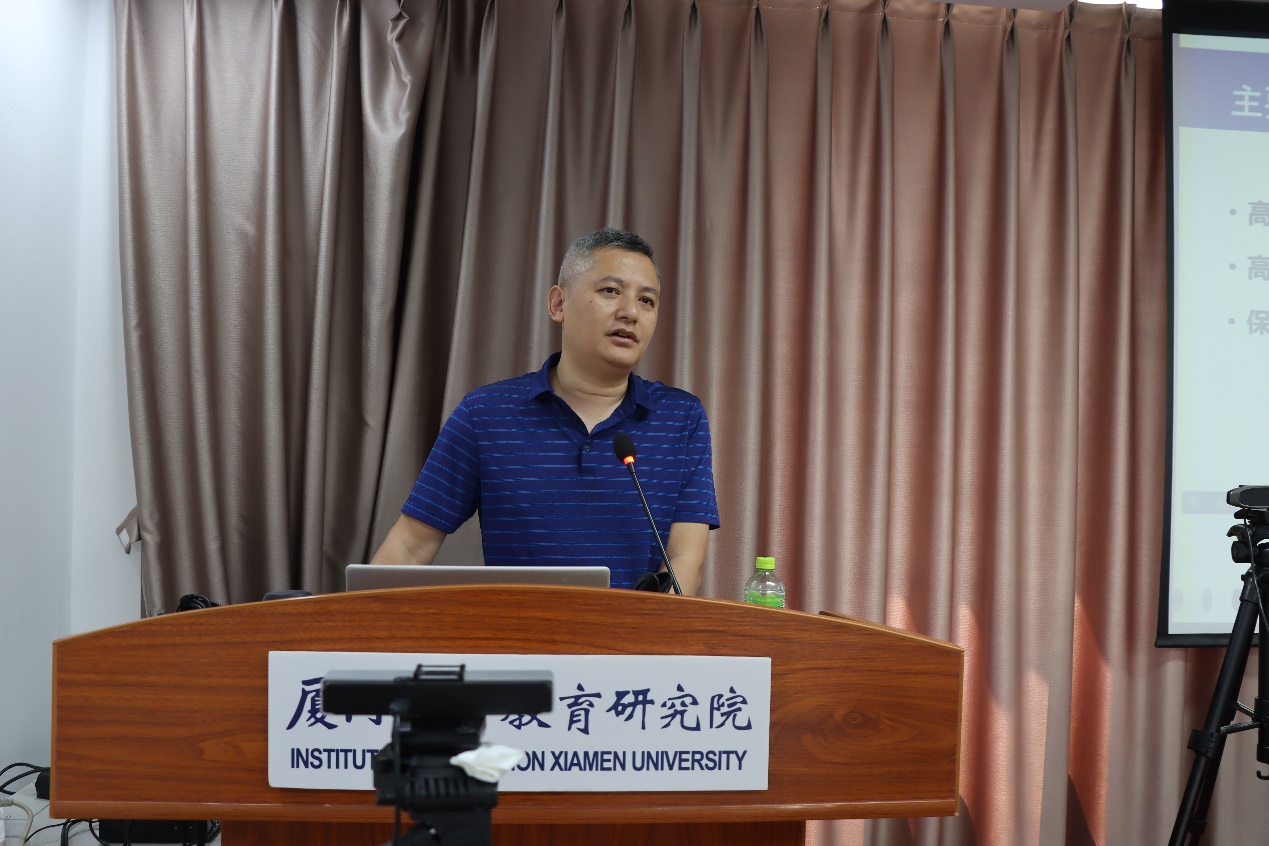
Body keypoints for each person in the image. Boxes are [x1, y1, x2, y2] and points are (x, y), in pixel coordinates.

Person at [370, 228, 719, 592]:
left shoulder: (682, 419)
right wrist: (353, 619)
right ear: (558, 304)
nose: (630, 312)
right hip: (516, 628)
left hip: (634, 629)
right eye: (611, 291)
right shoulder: (484, 415)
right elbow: (409, 547)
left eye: (647, 300)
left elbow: (684, 559)